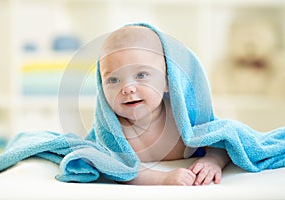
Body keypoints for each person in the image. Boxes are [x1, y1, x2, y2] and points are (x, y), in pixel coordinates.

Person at [98, 25, 230, 186]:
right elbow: (116, 168)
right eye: (113, 80)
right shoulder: (113, 130)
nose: (127, 88)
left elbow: (223, 142)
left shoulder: (183, 117)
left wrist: (213, 161)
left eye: (141, 75)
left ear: (168, 81)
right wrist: (163, 179)